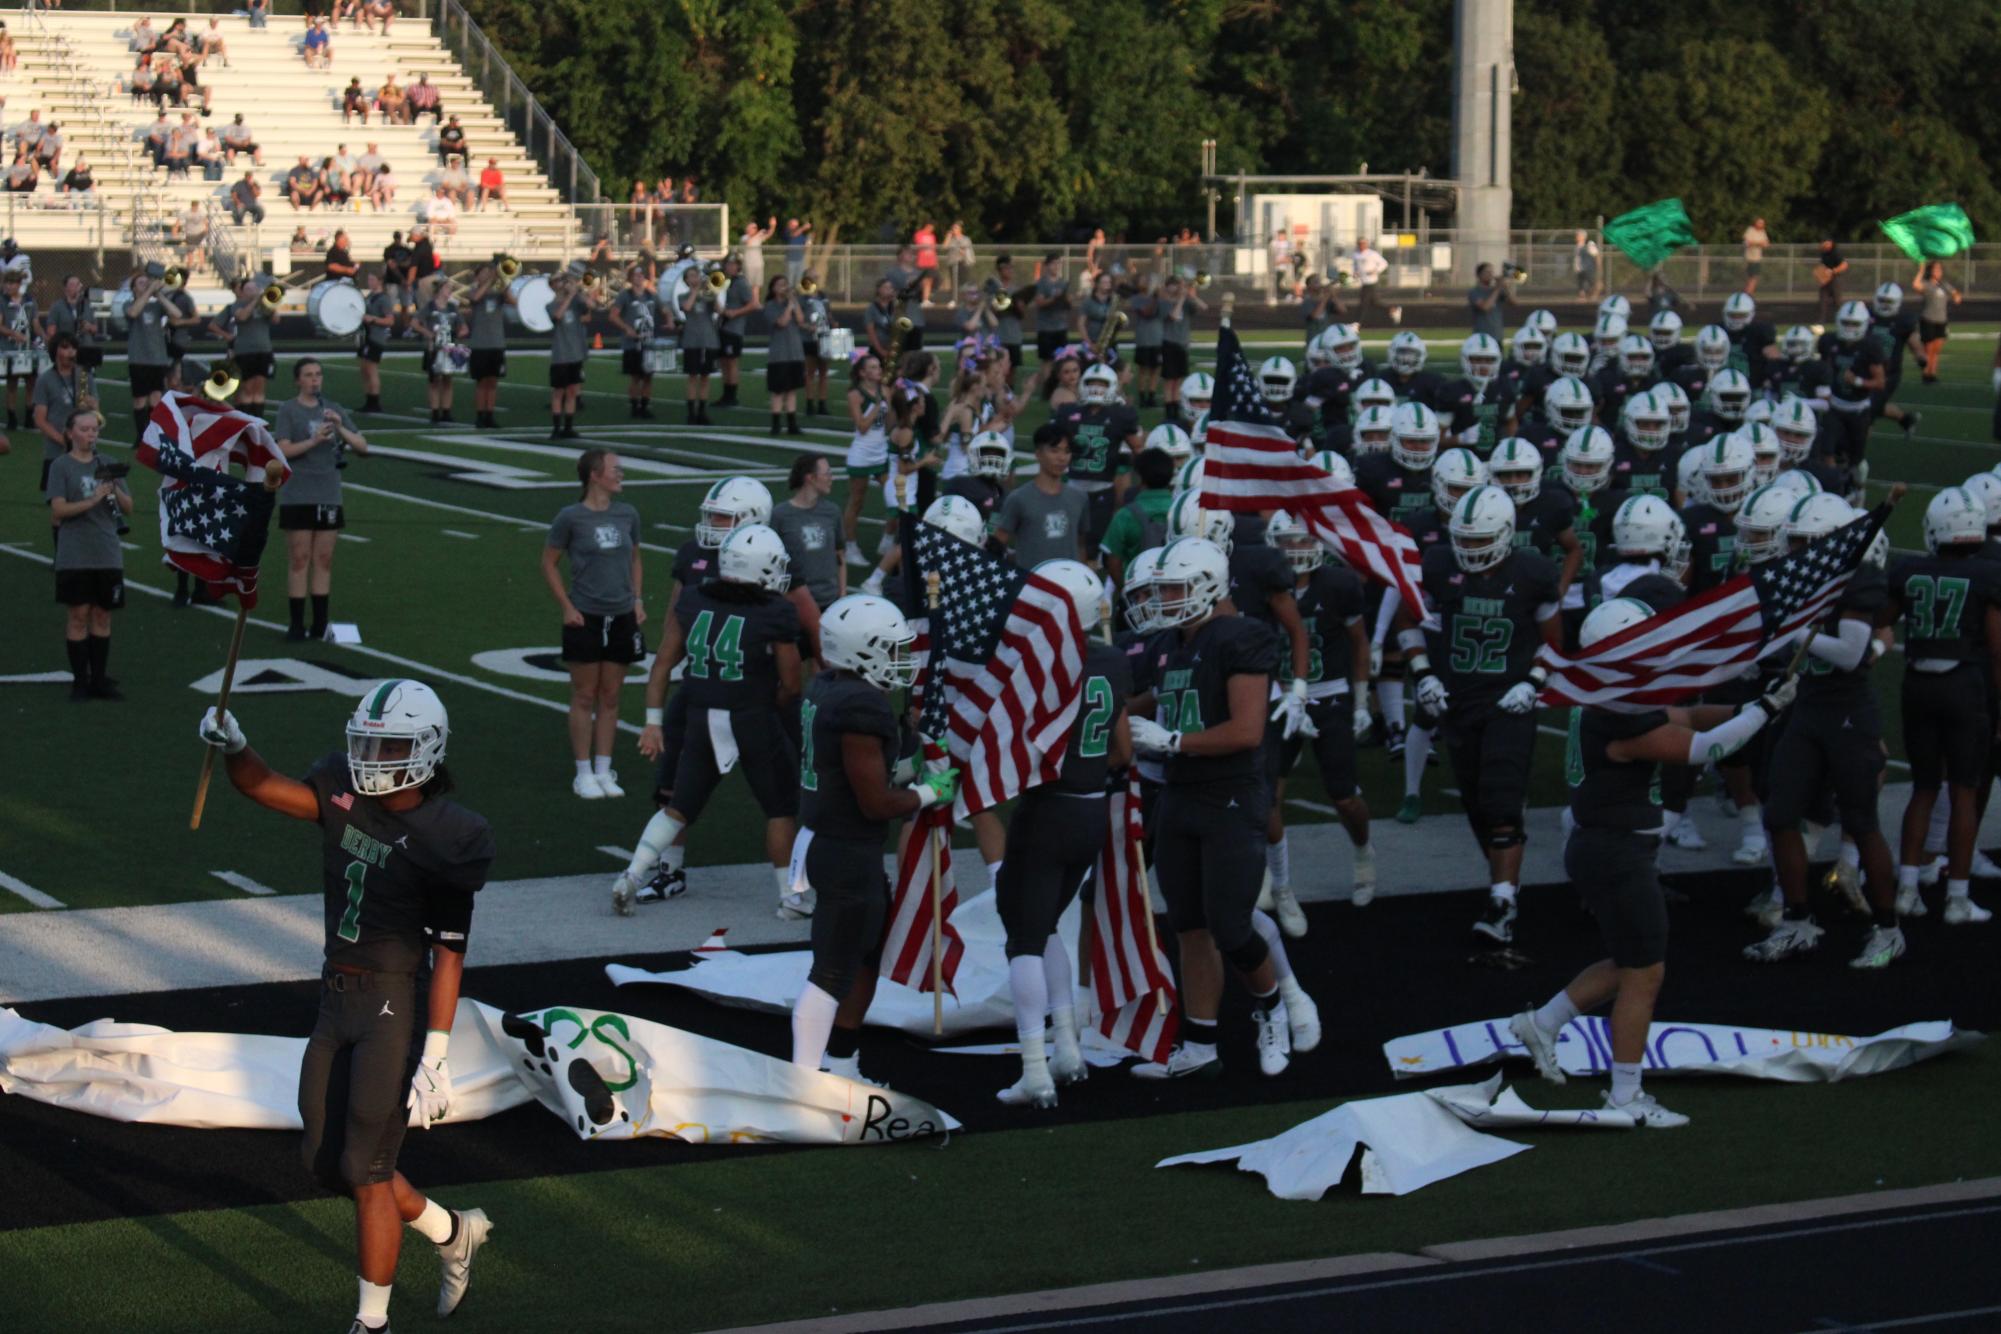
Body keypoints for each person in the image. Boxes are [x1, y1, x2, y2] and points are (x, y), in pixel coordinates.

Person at [194, 680, 496, 1334]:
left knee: (365, 1168)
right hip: (336, 994)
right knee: (324, 1160)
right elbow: (262, 786)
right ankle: (450, 1230)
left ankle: (372, 1323)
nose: (371, 756)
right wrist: (236, 747)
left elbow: (449, 955)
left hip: (394, 1002)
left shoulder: (450, 837)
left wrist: (437, 1056)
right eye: (367, 742)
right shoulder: (343, 791)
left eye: (388, 745)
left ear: (425, 750)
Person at [1512, 597, 1793, 1127]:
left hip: (1612, 847)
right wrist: (1765, 713)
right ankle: (1624, 1095)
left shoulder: (1614, 694)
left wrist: (1749, 706)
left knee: (1629, 963)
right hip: (1614, 852)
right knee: (1646, 973)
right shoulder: (1618, 711)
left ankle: (1542, 1024)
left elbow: (1689, 716)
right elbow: (1703, 748)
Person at [1126, 537, 1310, 1080]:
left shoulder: (1242, 635)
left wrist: (1173, 741)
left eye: (1173, 589)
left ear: (1208, 586)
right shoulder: (1173, 642)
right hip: (1181, 794)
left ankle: (1271, 1007)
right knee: (1187, 926)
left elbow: (1247, 731)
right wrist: (1097, 703)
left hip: (1229, 794)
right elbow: (1152, 699)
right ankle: (1201, 1044)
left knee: (1230, 925)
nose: (1163, 600)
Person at [989, 561, 1131, 1106]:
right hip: (1092, 811)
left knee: (1024, 935)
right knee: (1047, 925)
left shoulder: (1038, 663)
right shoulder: (1114, 660)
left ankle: (1034, 1068)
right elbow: (1122, 751)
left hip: (1047, 810)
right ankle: (1067, 1047)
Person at [1394, 484, 1562, 944]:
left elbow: (1555, 641)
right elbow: (1408, 620)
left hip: (1509, 701)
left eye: (1478, 540)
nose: (1468, 550)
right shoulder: (1438, 565)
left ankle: (1503, 903)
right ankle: (1501, 888)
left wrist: (1533, 683)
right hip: (1457, 700)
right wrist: (1423, 672)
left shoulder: (1533, 572)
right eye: (1462, 540)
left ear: (1506, 533)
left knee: (1502, 801)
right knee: (1477, 806)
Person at [789, 595, 945, 1080]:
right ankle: (805, 1079)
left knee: (864, 955)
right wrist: (927, 793)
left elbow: (864, 774)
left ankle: (841, 1062)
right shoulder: (860, 703)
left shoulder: (828, 685)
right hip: (845, 848)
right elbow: (875, 802)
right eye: (892, 649)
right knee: (834, 967)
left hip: (830, 840)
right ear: (863, 650)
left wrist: (908, 754)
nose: (903, 660)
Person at [1745, 494, 1903, 968]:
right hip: (1809, 705)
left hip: (1847, 712)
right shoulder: (1805, 578)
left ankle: (1889, 930)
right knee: (1779, 813)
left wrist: (1793, 630)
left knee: (1860, 821)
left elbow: (1852, 653)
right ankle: (1797, 921)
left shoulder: (1857, 579)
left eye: (1802, 541)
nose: (1793, 550)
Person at [618, 521, 801, 916]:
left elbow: (663, 665)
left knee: (678, 806)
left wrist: (653, 721)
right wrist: (771, 701)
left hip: (701, 714)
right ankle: (791, 898)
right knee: (780, 807)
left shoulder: (695, 600)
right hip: (751, 715)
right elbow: (791, 682)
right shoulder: (775, 611)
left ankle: (631, 876)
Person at [1887, 488, 2000, 925]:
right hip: (1964, 687)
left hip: (1918, 684)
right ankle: (1956, 898)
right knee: (1964, 793)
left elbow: (1881, 618)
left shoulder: (1909, 569)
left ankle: (1908, 889)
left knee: (1923, 788)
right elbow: (1997, 650)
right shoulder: (1988, 576)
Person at [541, 449, 646, 799]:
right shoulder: (570, 517)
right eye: (615, 469)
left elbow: (635, 558)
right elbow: (549, 563)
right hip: (585, 614)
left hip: (621, 614)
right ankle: (583, 772)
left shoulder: (628, 513)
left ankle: (604, 769)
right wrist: (566, 606)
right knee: (585, 694)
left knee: (612, 694)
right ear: (595, 475)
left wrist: (637, 599)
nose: (621, 474)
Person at [273, 357, 369, 640]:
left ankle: (320, 623)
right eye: (308, 375)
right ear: (298, 380)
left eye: (318, 374)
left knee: (324, 559)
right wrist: (313, 441)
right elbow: (283, 450)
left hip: (328, 492)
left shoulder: (333, 409)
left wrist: (340, 429)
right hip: (298, 493)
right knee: (300, 557)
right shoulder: (288, 410)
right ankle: (296, 623)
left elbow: (363, 446)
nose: (315, 380)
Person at [47, 407, 130, 701]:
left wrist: (113, 491)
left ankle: (99, 679)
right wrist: (92, 499)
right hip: (75, 552)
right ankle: (80, 681)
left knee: (102, 614)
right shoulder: (61, 466)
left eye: (94, 429)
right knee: (79, 614)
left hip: (106, 551)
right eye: (84, 429)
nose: (91, 434)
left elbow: (128, 507)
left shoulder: (107, 463)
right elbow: (57, 511)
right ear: (71, 433)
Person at [993, 423, 1087, 567]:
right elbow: (998, 543)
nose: (1062, 458)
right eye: (1055, 451)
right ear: (1038, 454)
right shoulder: (1019, 499)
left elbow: (1081, 544)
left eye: (1067, 451)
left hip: (1069, 586)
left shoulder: (1079, 498)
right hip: (1032, 585)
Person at [770, 451, 845, 615]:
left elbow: (839, 556)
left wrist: (842, 596)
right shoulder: (780, 515)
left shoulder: (832, 512)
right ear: (810, 478)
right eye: (827, 474)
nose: (831, 478)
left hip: (830, 602)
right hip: (795, 603)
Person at [841, 351, 890, 564]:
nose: (878, 370)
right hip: (862, 453)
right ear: (862, 373)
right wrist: (878, 405)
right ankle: (850, 547)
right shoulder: (855, 394)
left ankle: (887, 539)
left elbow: (890, 424)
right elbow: (861, 426)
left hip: (881, 452)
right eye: (872, 367)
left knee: (894, 497)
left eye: (878, 366)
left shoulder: (884, 390)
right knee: (857, 501)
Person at [208, 279, 277, 417]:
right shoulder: (236, 306)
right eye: (249, 289)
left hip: (264, 350)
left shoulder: (263, 307)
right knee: (246, 388)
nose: (253, 292)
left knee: (259, 386)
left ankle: (258, 420)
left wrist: (269, 302)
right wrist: (254, 300)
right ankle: (245, 419)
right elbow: (242, 317)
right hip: (245, 352)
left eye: (255, 289)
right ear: (243, 292)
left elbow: (276, 320)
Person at [123, 266, 176, 442]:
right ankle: (141, 437)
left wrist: (159, 294)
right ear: (134, 288)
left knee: (156, 398)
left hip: (157, 358)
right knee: (139, 399)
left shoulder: (156, 307)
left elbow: (176, 314)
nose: (145, 285)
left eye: (147, 283)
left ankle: (154, 436)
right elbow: (134, 312)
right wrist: (148, 293)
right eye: (141, 283)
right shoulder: (128, 304)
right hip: (139, 358)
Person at [607, 263, 661, 420]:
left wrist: (670, 318)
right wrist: (626, 329)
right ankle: (634, 406)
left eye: (641, 274)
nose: (640, 277)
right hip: (632, 342)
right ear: (630, 278)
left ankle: (644, 406)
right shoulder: (625, 295)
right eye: (636, 275)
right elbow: (613, 315)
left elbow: (664, 309)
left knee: (648, 376)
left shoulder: (651, 295)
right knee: (635, 376)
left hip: (648, 341)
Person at [546, 268, 596, 440]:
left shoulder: (576, 303)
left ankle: (569, 427)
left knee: (573, 391)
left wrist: (577, 291)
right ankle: (556, 428)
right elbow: (558, 316)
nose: (563, 283)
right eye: (560, 281)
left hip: (575, 354)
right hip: (561, 354)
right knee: (558, 392)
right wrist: (568, 296)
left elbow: (591, 306)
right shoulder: (551, 304)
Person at [462, 262, 511, 429]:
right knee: (481, 381)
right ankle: (480, 415)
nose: (488, 274)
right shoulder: (473, 291)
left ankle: (490, 414)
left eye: (490, 272)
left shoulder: (498, 293)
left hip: (497, 342)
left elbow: (513, 300)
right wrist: (489, 282)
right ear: (477, 276)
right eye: (484, 272)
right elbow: (475, 299)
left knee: (492, 381)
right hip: (480, 344)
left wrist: (504, 282)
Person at [1158, 274, 1204, 425]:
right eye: (1175, 285)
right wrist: (1182, 298)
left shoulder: (1187, 302)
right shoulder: (1164, 302)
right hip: (1169, 343)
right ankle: (1168, 412)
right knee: (1169, 381)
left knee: (1178, 380)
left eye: (1180, 285)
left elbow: (1204, 307)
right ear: (1168, 287)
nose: (1178, 288)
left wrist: (1191, 295)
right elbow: (1173, 316)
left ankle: (1176, 410)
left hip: (1183, 344)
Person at [765, 274, 807, 436]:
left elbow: (801, 319)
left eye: (785, 284)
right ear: (773, 289)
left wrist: (794, 302)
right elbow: (782, 322)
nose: (784, 287)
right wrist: (790, 305)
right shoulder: (770, 306)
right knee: (778, 391)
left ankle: (792, 424)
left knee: (792, 390)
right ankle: (776, 424)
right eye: (780, 285)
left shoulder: (793, 303)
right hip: (779, 354)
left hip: (795, 352)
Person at [678, 264, 720, 424]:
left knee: (705, 377)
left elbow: (719, 309)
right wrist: (696, 290)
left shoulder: (707, 296)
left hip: (709, 341)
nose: (695, 278)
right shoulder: (683, 296)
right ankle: (691, 412)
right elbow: (687, 307)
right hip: (692, 341)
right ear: (687, 280)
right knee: (692, 377)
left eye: (696, 275)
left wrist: (713, 292)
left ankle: (702, 411)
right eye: (691, 276)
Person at [417, 277, 461, 423]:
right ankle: (435, 411)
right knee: (434, 380)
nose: (449, 292)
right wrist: (429, 334)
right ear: (440, 290)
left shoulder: (452, 308)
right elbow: (415, 323)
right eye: (447, 288)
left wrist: (456, 334)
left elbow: (463, 327)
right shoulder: (430, 307)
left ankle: (446, 411)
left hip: (449, 347)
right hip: (434, 348)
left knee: (448, 380)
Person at [1913, 260, 1962, 384]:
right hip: (1928, 319)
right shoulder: (1927, 284)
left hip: (1941, 320)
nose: (1938, 271)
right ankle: (1926, 373)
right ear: (1931, 271)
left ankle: (1933, 373)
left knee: (1936, 349)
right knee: (1928, 348)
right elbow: (1916, 285)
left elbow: (1956, 296)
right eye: (1935, 269)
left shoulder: (1944, 285)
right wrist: (1921, 270)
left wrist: (1956, 296)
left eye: (1939, 269)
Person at [1031, 252, 1071, 365]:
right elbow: (1040, 302)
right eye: (1054, 264)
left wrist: (1067, 300)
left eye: (1058, 264)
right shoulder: (1041, 283)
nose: (1056, 266)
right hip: (1046, 329)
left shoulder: (1062, 283)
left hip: (1061, 327)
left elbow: (1067, 305)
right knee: (1047, 362)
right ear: (1047, 265)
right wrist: (1054, 298)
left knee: (1062, 361)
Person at [1467, 262, 1515, 340]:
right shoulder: (1474, 292)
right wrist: (1498, 288)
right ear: (1479, 275)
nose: (1491, 275)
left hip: (1497, 336)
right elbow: (1485, 307)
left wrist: (1506, 288)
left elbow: (1514, 303)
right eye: (1487, 272)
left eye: (1492, 272)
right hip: (1481, 336)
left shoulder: (1497, 291)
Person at [1814, 239, 1849, 321]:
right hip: (1825, 279)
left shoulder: (1835, 253)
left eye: (1825, 243)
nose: (1823, 245)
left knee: (1837, 301)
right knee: (1823, 299)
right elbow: (1823, 265)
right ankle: (1821, 320)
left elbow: (1844, 265)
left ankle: (1841, 318)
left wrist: (1833, 271)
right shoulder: (1824, 253)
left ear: (1830, 243)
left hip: (1835, 279)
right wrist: (1820, 274)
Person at [1742, 218, 1769, 295]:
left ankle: (1749, 293)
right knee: (1750, 276)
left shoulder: (1762, 232)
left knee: (1754, 277)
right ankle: (1747, 293)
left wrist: (1757, 243)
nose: (1762, 225)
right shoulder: (1750, 230)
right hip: (1749, 257)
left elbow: (1766, 244)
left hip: (1757, 258)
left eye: (1763, 223)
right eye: (1760, 223)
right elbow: (1748, 242)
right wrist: (1759, 243)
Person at [1572, 230, 1600, 300]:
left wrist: (1598, 266)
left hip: (1587, 268)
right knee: (1580, 283)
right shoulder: (1576, 247)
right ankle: (1582, 296)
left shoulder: (1588, 245)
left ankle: (1594, 295)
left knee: (1591, 282)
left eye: (1578, 236)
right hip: (1579, 268)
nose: (1576, 237)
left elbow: (1596, 255)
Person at [784, 217, 811, 286]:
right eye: (793, 225)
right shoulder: (787, 231)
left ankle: (798, 296)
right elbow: (794, 234)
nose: (795, 227)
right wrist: (804, 227)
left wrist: (808, 243)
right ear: (789, 225)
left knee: (799, 281)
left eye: (796, 226)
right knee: (789, 281)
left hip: (800, 260)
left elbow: (805, 248)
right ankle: (789, 295)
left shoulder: (801, 235)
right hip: (790, 261)